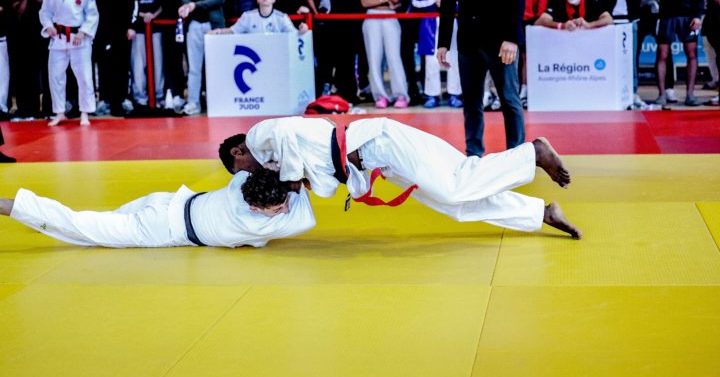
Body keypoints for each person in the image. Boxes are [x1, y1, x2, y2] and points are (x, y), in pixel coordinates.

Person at [221, 117, 582, 239]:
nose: (252, 172)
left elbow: (286, 133)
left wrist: (289, 181)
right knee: (452, 203)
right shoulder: (279, 161)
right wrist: (280, 199)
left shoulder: (257, 136)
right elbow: (323, 183)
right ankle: (539, 213)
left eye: (244, 169)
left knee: (454, 187)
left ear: (239, 152)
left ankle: (532, 153)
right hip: (380, 161)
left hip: (380, 142)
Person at [0, 168, 316, 248]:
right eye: (279, 207)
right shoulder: (257, 224)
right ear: (257, 210)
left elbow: (269, 173)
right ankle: (9, 206)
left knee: (94, 223)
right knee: (80, 227)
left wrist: (290, 184)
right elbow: (307, 219)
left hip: (167, 200)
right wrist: (300, 183)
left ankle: (29, 214)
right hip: (159, 229)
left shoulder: (242, 181)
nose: (284, 210)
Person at [437, 0, 526, 158]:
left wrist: (512, 38)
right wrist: (443, 42)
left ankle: (517, 156)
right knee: (471, 101)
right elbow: (448, 0)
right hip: (468, 40)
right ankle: (473, 154)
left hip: (499, 40)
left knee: (509, 98)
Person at [38, 0, 99, 127]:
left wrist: (84, 31)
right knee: (55, 76)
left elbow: (93, 14)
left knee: (84, 76)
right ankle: (59, 112)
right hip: (58, 37)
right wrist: (48, 25)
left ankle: (85, 112)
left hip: (79, 38)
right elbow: (44, 12)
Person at [304, 0, 362, 102]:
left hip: (353, 25)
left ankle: (349, 94)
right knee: (331, 60)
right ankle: (329, 93)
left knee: (349, 60)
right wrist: (316, 12)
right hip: (334, 24)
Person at [179, 0, 228, 116]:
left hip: (214, 24)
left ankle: (220, 102)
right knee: (194, 67)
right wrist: (186, 6)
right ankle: (193, 102)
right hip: (194, 24)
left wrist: (195, 5)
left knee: (217, 66)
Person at [411, 0, 463, 109]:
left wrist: (451, 4)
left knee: (454, 56)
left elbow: (467, 1)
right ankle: (432, 95)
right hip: (431, 23)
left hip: (453, 20)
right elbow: (415, 1)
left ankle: (454, 94)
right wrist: (433, 1)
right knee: (431, 60)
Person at [358, 0, 409, 109]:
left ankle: (401, 94)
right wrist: (384, 0)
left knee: (394, 57)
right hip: (371, 17)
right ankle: (380, 96)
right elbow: (364, 2)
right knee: (374, 59)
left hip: (390, 17)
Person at [10, 0, 48, 120]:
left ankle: (45, 108)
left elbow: (47, 5)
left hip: (40, 34)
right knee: (23, 72)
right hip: (20, 36)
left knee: (42, 72)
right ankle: (25, 108)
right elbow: (18, 13)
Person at [127, 0, 164, 108]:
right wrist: (143, 15)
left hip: (156, 27)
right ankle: (140, 97)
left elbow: (163, 2)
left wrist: (153, 14)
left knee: (158, 64)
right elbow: (128, 4)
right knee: (137, 64)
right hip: (138, 28)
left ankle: (159, 96)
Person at [210, 0, 308, 34]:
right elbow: (232, 31)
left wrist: (303, 29)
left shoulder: (281, 18)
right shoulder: (248, 16)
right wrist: (218, 31)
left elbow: (295, 34)